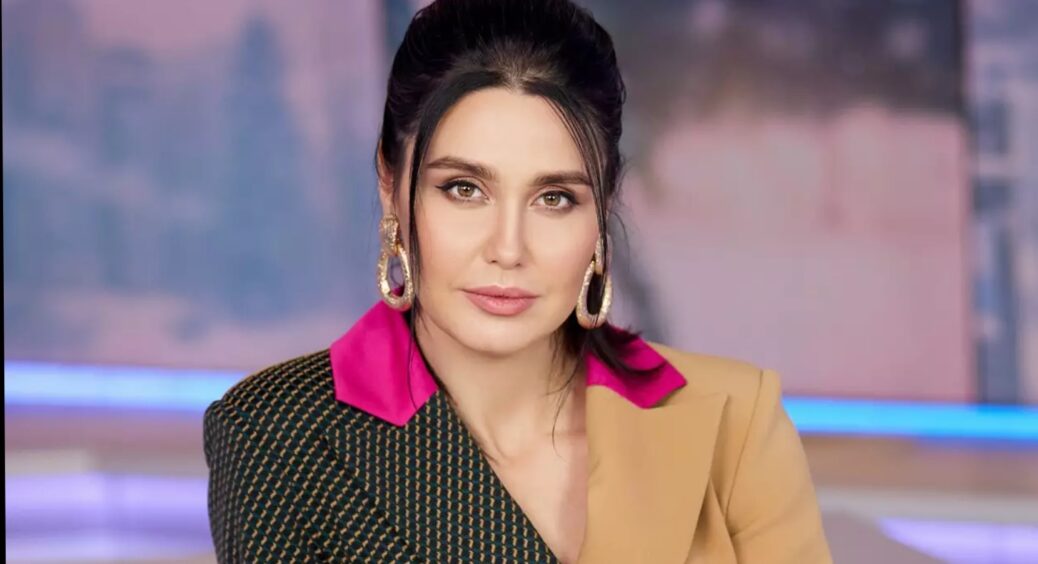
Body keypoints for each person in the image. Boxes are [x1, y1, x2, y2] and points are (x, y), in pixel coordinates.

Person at [203, 0, 832, 561]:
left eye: (554, 198)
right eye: (464, 189)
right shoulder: (280, 437)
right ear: (391, 185)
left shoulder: (734, 420)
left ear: (603, 208)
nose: (508, 249)